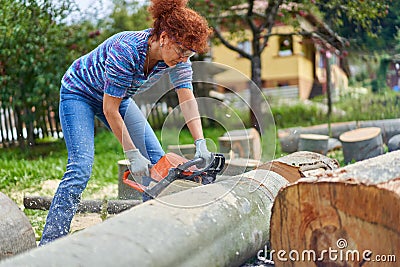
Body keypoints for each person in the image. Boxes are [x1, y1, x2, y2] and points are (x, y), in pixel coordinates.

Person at [39, 0, 212, 246]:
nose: (185, 57)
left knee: (159, 165)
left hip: (117, 98)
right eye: (182, 50)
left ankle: (147, 238)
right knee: (81, 167)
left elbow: (187, 98)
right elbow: (109, 109)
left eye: (190, 53)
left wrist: (200, 143)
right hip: (79, 93)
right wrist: (131, 153)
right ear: (164, 38)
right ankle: (49, 243)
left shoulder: (178, 59)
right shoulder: (127, 49)